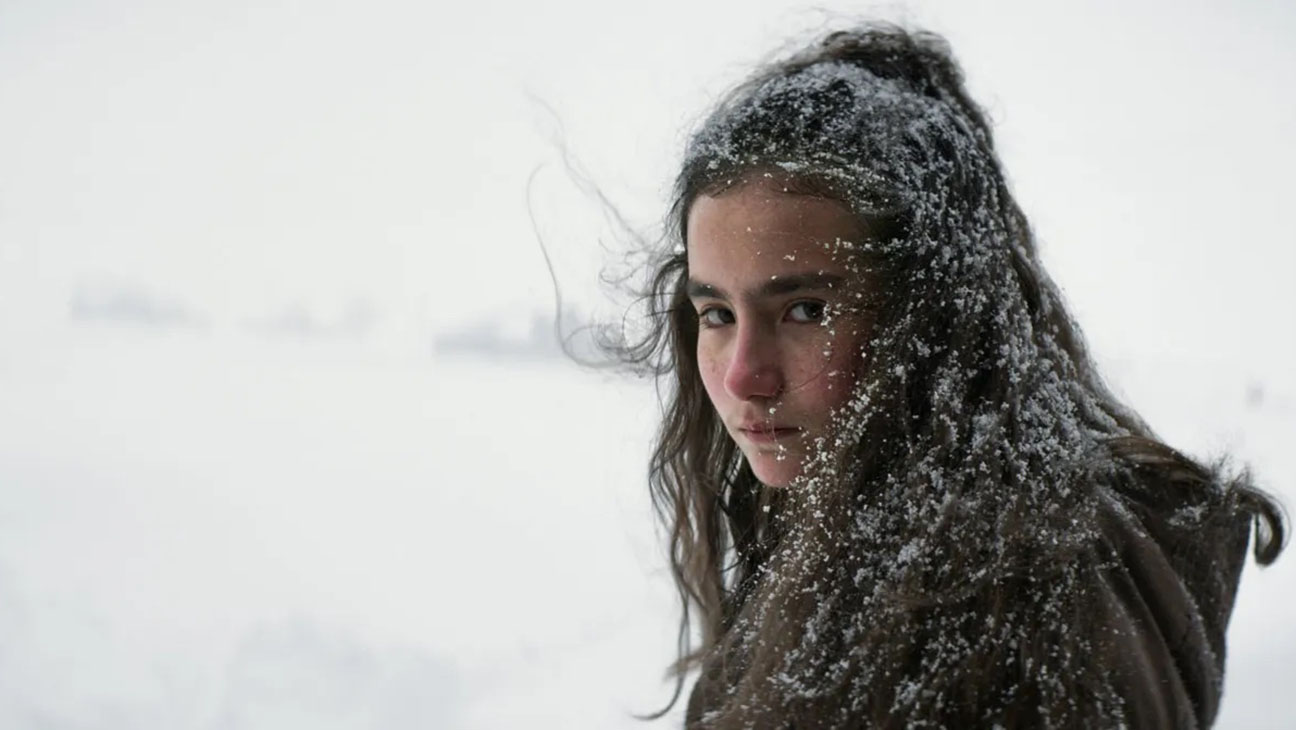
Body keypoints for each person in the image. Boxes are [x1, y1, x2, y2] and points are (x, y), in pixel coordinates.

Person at [606, 23, 1286, 729]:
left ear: (932, 319)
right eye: (716, 314)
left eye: (806, 309)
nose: (745, 376)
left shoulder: (966, 640)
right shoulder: (1071, 526)